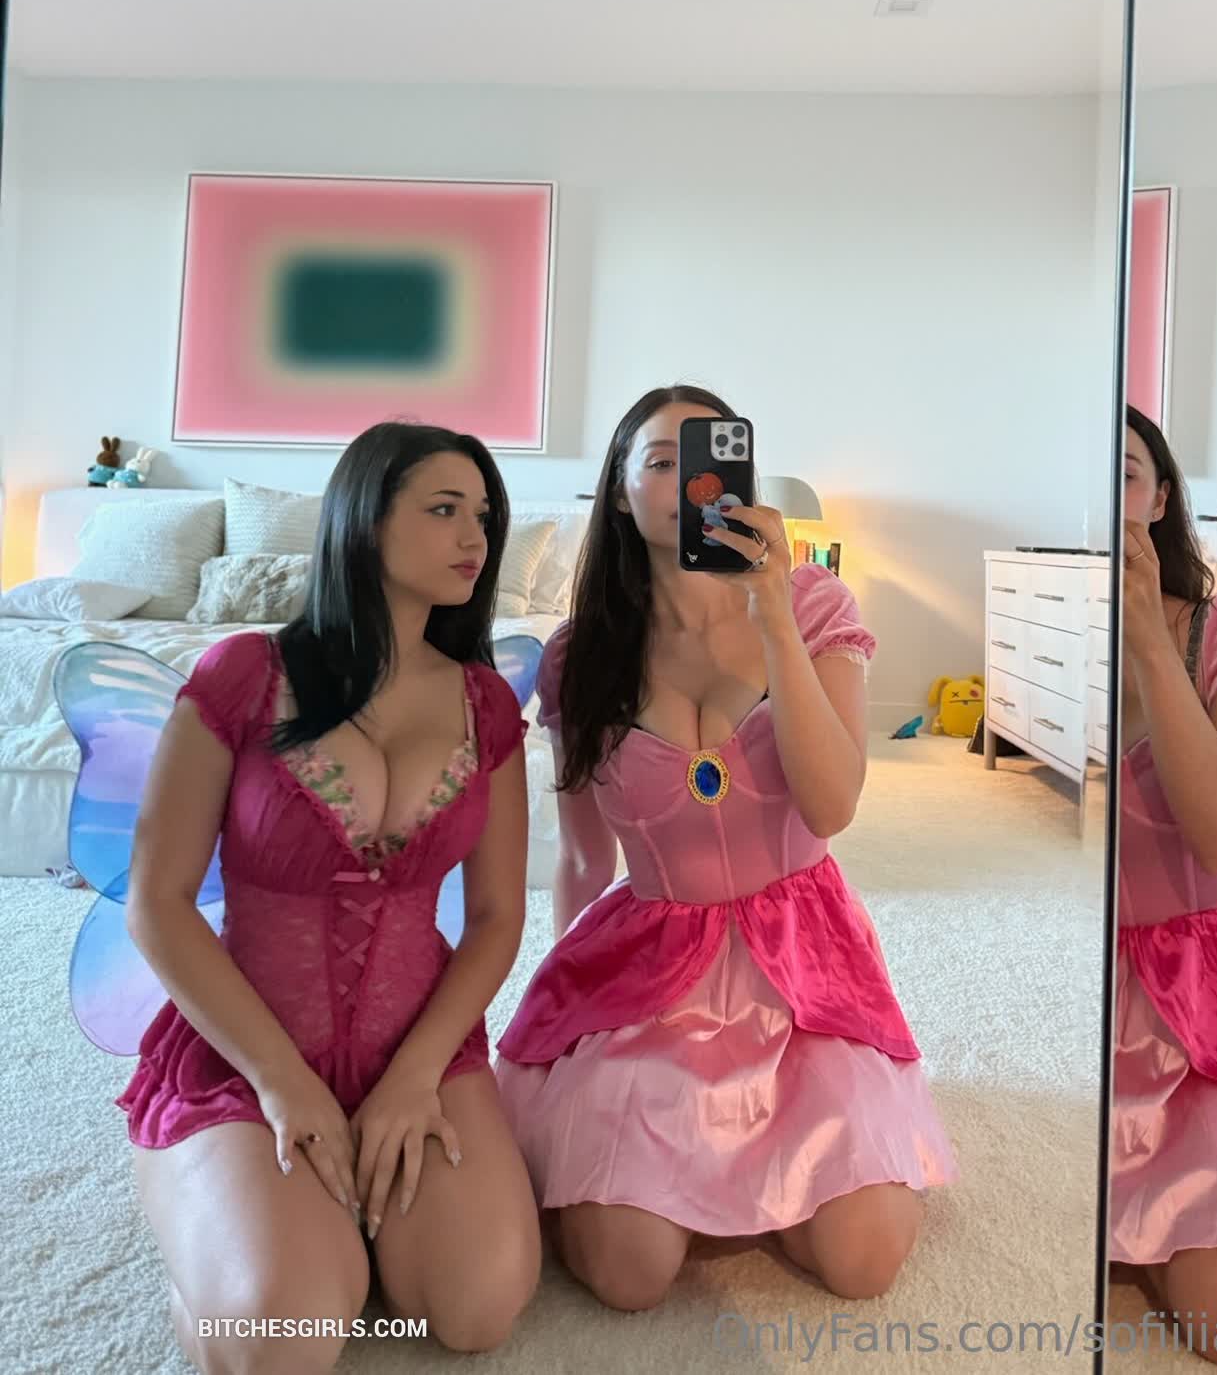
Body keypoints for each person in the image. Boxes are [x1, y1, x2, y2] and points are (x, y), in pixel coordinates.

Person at [493, 384, 955, 1313]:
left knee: (863, 1261)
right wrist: (564, 1019)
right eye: (659, 462)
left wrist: (772, 613)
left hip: (803, 959)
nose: (686, 482)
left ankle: (751, 1166)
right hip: (649, 963)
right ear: (618, 492)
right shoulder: (580, 654)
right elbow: (582, 859)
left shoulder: (813, 607)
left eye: (705, 460)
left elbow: (831, 805)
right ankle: (696, 1165)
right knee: (626, 1273)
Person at [119, 422, 540, 1367]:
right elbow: (158, 899)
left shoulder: (486, 705)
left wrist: (416, 1076)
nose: (473, 537)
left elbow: (496, 918)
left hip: (419, 1048)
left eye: (483, 515)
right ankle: (224, 1227)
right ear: (362, 520)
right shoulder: (242, 675)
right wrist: (280, 1082)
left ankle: (333, 1229)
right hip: (246, 1053)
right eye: (443, 509)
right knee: (286, 1335)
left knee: (476, 1310)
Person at [1113, 406, 1217, 1367]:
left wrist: (1146, 641)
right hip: (1081, 997)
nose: (1104, 497)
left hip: (1200, 998)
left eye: (1125, 474)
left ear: (1160, 498)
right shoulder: (1044, 632)